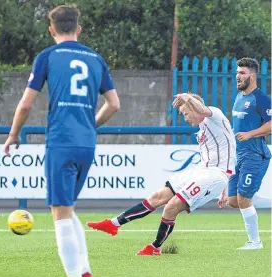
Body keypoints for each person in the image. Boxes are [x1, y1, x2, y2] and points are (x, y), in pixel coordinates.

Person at [3, 5, 120, 277]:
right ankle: (85, 275)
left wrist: (13, 134)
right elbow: (114, 104)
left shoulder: (48, 56)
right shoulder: (96, 58)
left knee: (60, 212)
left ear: (51, 29)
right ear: (78, 28)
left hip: (61, 140)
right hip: (86, 142)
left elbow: (27, 103)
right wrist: (91, 125)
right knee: (66, 208)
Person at [88, 93, 236, 256]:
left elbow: (222, 163)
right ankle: (113, 224)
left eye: (186, 113)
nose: (185, 118)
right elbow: (228, 154)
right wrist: (225, 189)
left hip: (214, 175)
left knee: (171, 207)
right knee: (157, 196)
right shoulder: (202, 130)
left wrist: (186, 96)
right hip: (202, 172)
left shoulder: (215, 116)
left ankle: (155, 247)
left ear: (194, 108)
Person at [218, 58, 271, 250]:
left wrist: (250, 134)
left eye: (242, 73)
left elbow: (271, 124)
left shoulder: (261, 99)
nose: (238, 76)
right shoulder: (239, 97)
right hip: (238, 155)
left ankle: (255, 242)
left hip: (255, 155)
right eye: (237, 73)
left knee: (243, 199)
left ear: (252, 76)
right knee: (234, 201)